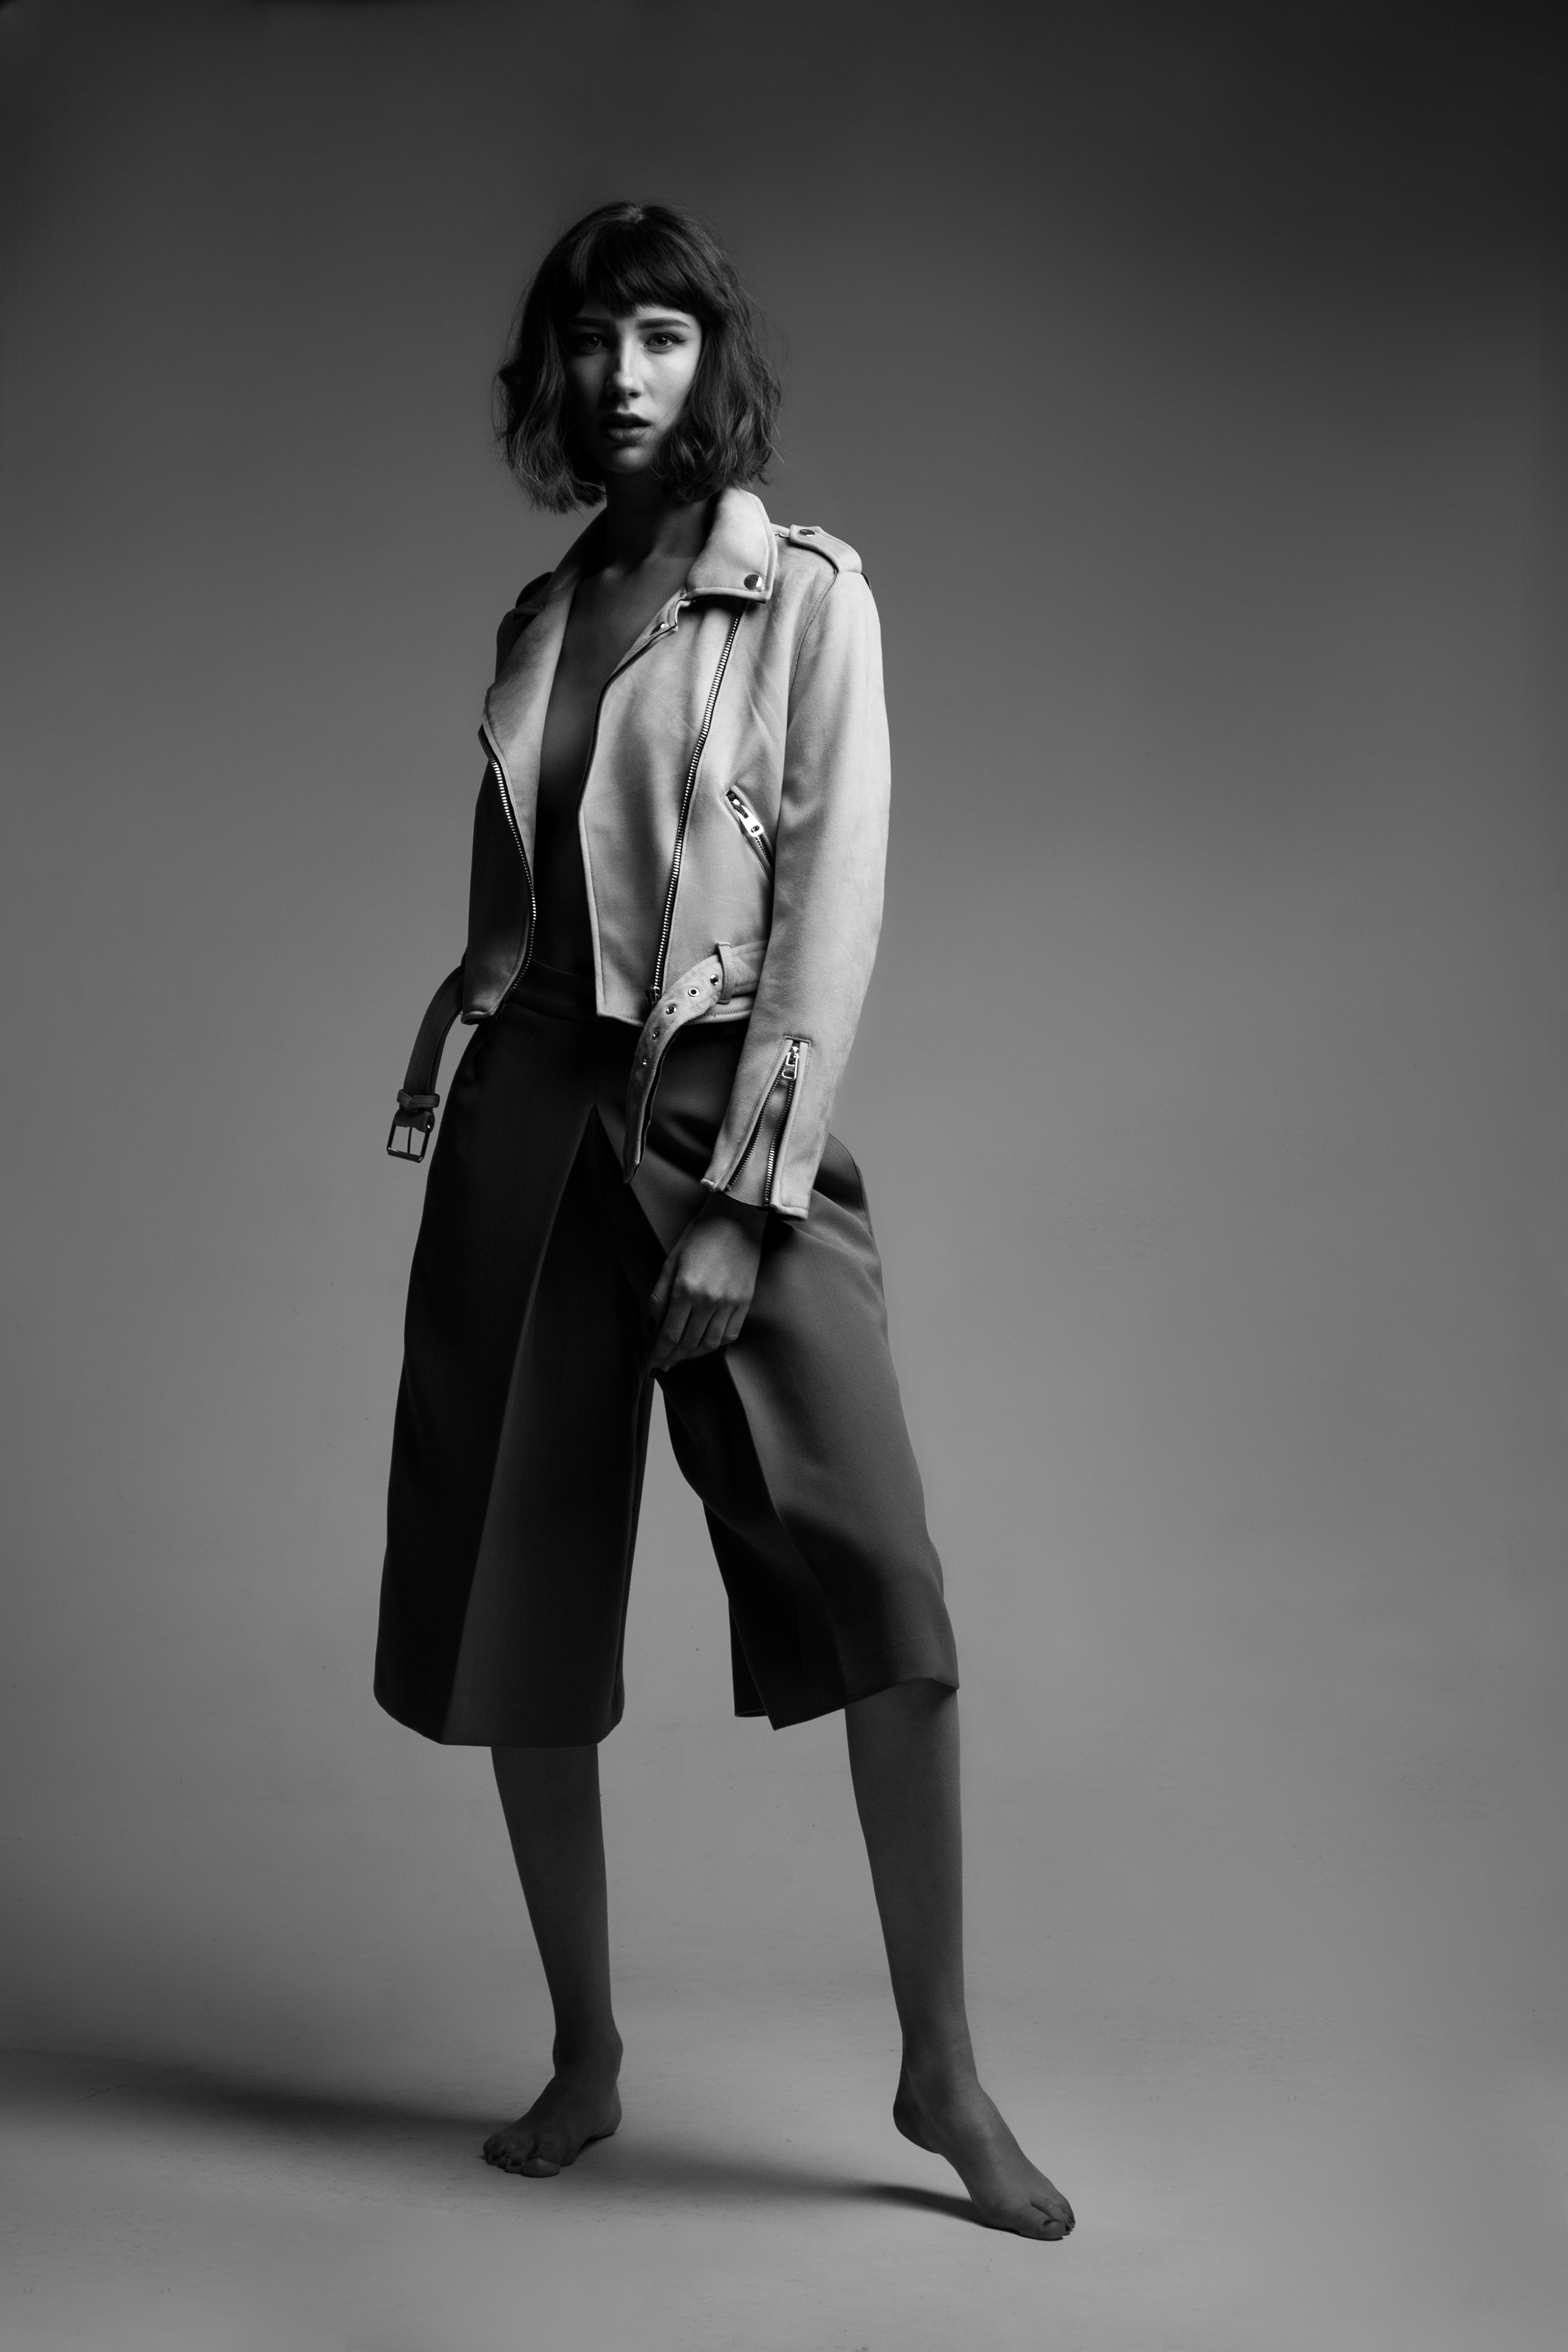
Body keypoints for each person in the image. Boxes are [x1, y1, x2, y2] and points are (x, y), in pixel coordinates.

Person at [377, 201, 1074, 2242]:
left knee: (882, 1588)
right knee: (515, 1610)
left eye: (662, 335)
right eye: (592, 339)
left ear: (712, 361)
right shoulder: (538, 615)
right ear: (552, 371)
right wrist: (464, 1028)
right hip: (529, 1118)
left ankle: (942, 2073)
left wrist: (745, 1203)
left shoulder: (807, 597)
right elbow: (527, 905)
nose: (623, 376)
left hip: (714, 1110)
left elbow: (827, 916)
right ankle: (588, 2053)